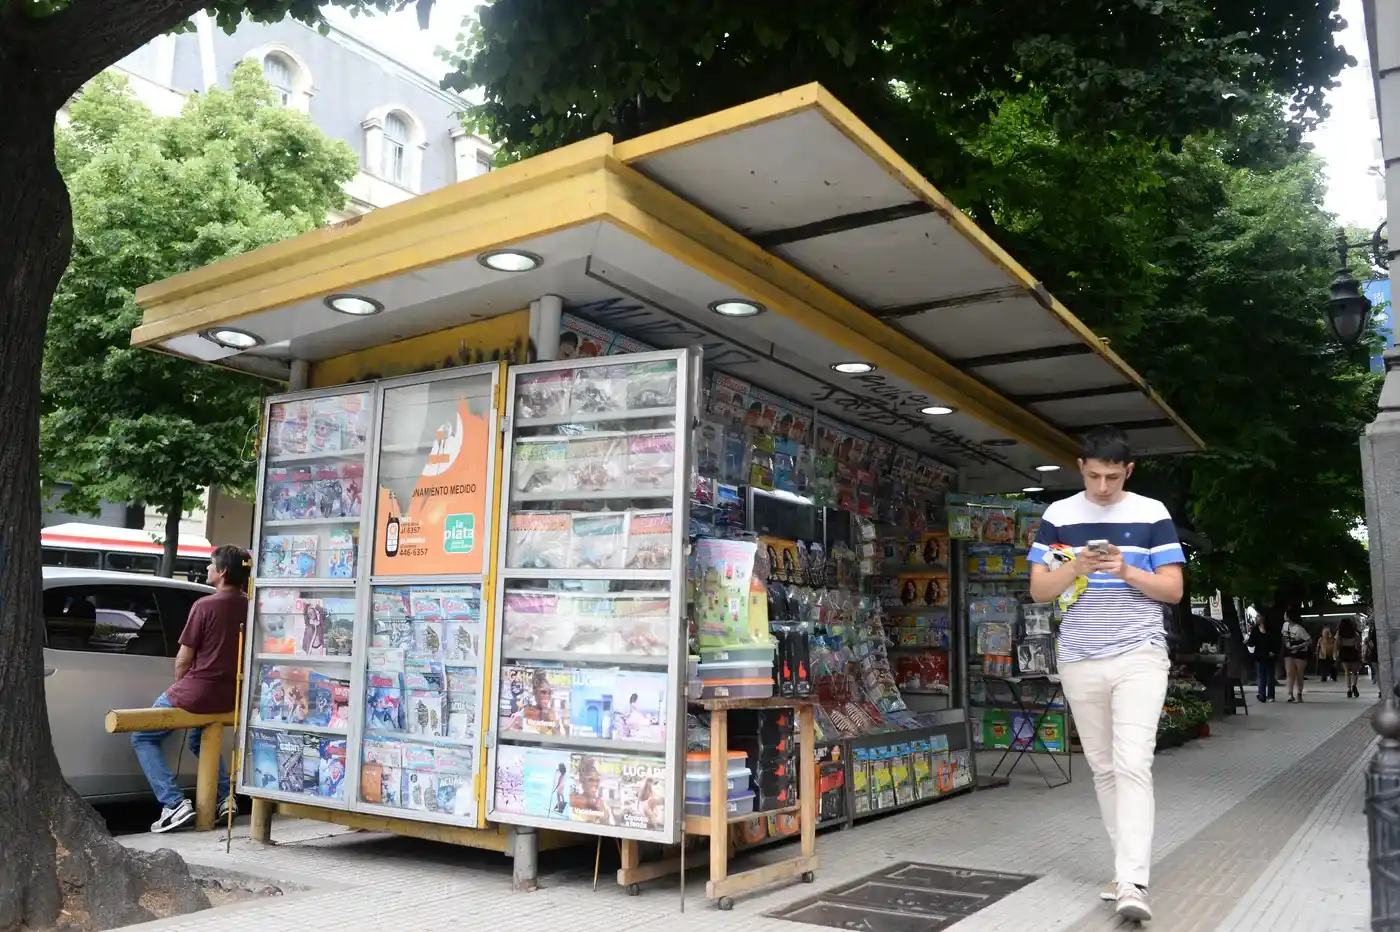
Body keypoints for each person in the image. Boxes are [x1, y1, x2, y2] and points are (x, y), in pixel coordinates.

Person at [1030, 427, 1185, 923]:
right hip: (1079, 656)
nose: (1102, 486)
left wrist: (1125, 571)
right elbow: (1039, 591)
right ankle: (1125, 871)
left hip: (1140, 652)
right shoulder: (1058, 516)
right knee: (1103, 768)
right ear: (1080, 467)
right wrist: (1075, 567)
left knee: (1133, 762)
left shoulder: (1151, 513)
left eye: (1112, 477)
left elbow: (1173, 591)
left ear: (1129, 471)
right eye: (1094, 475)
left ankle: (1133, 881)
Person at [131, 544, 250, 833]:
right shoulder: (250, 605)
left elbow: (184, 657)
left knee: (141, 736)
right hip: (230, 694)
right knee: (198, 741)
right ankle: (225, 798)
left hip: (197, 692)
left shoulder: (204, 606)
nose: (207, 569)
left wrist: (179, 686)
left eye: (211, 565)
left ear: (222, 572)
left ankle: (173, 804)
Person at [1247, 618, 1280, 703]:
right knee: (1262, 676)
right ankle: (1263, 695)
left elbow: (1276, 642)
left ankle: (1268, 695)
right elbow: (1252, 642)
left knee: (1268, 676)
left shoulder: (1270, 631)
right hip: (1260, 656)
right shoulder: (1256, 630)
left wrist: (1274, 651)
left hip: (1268, 656)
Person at [1281, 613, 1312, 702]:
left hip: (1300, 652)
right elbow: (1283, 636)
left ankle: (1299, 693)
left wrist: (1298, 646)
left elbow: (1309, 641)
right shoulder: (1285, 625)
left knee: (1299, 673)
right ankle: (1290, 694)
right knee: (1290, 673)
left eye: (1286, 614)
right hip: (1288, 651)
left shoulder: (1299, 629)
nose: (1284, 616)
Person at [1337, 617, 1363, 698]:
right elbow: (1358, 645)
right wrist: (1359, 654)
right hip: (1353, 651)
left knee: (1347, 672)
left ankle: (1349, 690)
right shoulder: (1355, 633)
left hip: (1344, 652)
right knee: (1355, 672)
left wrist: (1337, 653)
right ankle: (1354, 685)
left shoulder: (1339, 633)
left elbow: (1337, 644)